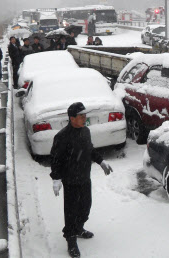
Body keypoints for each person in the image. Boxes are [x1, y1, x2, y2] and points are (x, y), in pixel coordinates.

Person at [50, 102, 113, 258]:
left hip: (85, 177)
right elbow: (56, 159)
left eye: (85, 115)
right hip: (70, 180)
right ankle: (71, 239)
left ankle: (79, 228)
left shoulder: (85, 131)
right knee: (71, 211)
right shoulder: (62, 136)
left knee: (85, 207)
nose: (84, 118)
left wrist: (101, 161)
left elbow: (90, 149)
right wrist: (56, 179)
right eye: (81, 116)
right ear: (72, 118)